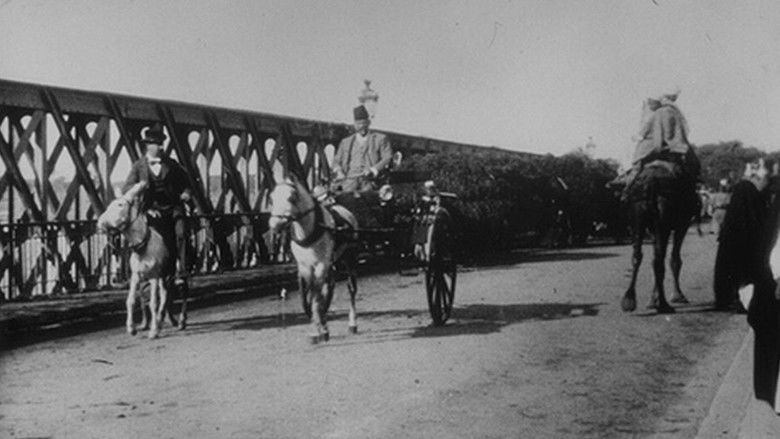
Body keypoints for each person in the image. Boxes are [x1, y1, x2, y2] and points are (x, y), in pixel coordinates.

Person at [123, 123, 193, 289]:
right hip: (151, 210)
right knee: (141, 239)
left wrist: (187, 194)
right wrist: (139, 189)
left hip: (173, 207)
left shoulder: (172, 164)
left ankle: (182, 272)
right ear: (148, 146)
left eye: (160, 144)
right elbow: (127, 187)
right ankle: (135, 273)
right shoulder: (139, 166)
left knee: (181, 234)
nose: (158, 147)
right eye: (155, 144)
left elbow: (187, 183)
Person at [713, 159, 771, 312]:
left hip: (733, 238)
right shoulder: (750, 192)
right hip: (747, 239)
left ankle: (730, 299)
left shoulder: (742, 190)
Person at [622, 89, 701, 200]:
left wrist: (640, 138)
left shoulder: (659, 113)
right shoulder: (675, 113)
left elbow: (653, 136)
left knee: (635, 171)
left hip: (653, 149)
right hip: (675, 150)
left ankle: (626, 191)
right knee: (691, 174)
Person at [332, 105, 393, 192]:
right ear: (354, 124)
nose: (362, 126)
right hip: (349, 181)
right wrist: (338, 170)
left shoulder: (380, 139)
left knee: (368, 199)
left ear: (368, 123)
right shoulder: (346, 142)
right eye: (359, 124)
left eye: (364, 123)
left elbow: (387, 157)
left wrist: (373, 170)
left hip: (369, 181)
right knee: (344, 199)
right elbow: (336, 161)